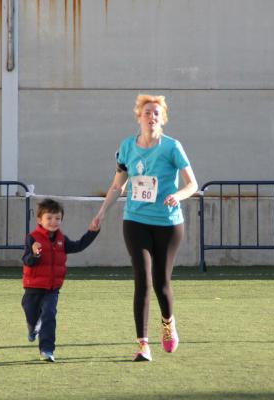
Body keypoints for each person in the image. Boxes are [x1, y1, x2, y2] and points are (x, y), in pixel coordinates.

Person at [90, 94, 198, 362]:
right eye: (147, 112)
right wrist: (102, 213)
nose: (152, 116)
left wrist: (178, 196)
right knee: (142, 280)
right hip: (136, 220)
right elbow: (118, 185)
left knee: (162, 283)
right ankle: (143, 344)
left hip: (168, 223)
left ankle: (168, 323)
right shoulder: (127, 147)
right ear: (138, 116)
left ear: (163, 118)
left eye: (157, 113)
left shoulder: (172, 147)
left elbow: (192, 184)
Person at [22, 198, 99, 362]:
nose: (53, 221)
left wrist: (92, 232)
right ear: (39, 220)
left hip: (52, 289)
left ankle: (47, 350)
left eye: (57, 218)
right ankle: (32, 327)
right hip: (33, 288)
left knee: (49, 315)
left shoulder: (62, 240)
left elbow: (78, 246)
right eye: (49, 218)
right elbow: (27, 260)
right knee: (31, 312)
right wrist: (35, 254)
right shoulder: (32, 238)